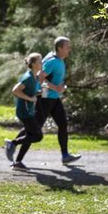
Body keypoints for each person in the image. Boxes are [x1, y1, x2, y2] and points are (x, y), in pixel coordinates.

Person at [37, 36, 81, 164]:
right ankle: (13, 144)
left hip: (54, 98)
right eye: (67, 47)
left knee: (62, 124)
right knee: (36, 126)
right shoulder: (52, 61)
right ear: (59, 48)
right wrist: (55, 88)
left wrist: (60, 87)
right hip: (46, 98)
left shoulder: (57, 58)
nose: (70, 49)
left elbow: (49, 78)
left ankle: (65, 156)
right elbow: (40, 78)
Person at [4, 53, 44, 171]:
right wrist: (31, 99)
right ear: (33, 64)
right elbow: (15, 90)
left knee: (30, 136)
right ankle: (12, 143)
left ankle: (18, 162)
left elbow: (30, 92)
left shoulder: (35, 77)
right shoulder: (28, 77)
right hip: (24, 112)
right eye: (40, 61)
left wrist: (38, 93)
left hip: (29, 112)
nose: (42, 63)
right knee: (37, 136)